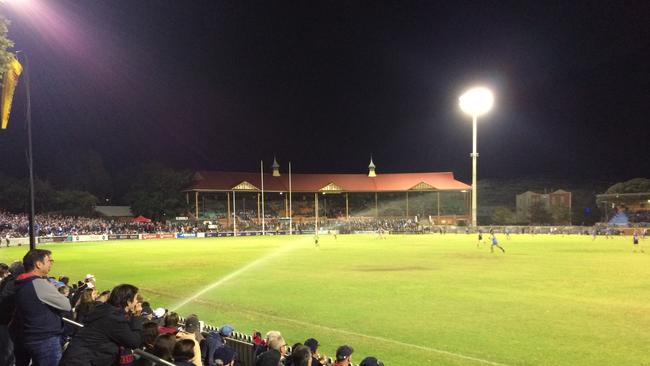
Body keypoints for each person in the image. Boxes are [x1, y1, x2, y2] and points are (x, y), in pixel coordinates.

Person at [12, 249, 72, 366]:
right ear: (39, 264)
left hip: (26, 336)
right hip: (45, 339)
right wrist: (52, 288)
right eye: (49, 261)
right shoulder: (38, 283)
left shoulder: (20, 281)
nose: (51, 263)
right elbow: (66, 305)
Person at [59, 284, 143, 366]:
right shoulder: (114, 319)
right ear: (128, 302)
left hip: (75, 357)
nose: (137, 302)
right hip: (84, 361)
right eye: (136, 299)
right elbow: (134, 342)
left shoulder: (103, 309)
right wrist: (137, 316)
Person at [0, 261, 24, 366]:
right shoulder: (13, 283)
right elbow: (7, 302)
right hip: (6, 322)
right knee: (8, 352)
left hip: (7, 321)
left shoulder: (8, 281)